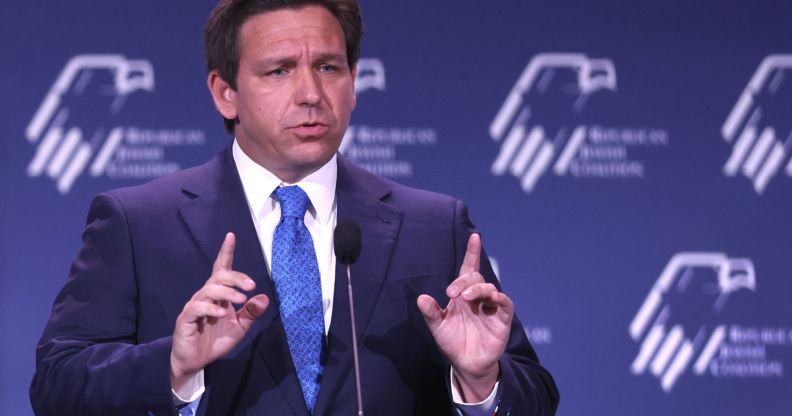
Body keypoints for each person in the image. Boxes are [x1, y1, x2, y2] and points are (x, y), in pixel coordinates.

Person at [30, 0, 559, 414]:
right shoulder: (137, 223)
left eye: (329, 67)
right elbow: (56, 384)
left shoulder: (434, 226)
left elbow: (533, 394)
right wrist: (173, 366)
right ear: (225, 93)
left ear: (354, 84)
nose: (311, 93)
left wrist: (480, 381)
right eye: (279, 70)